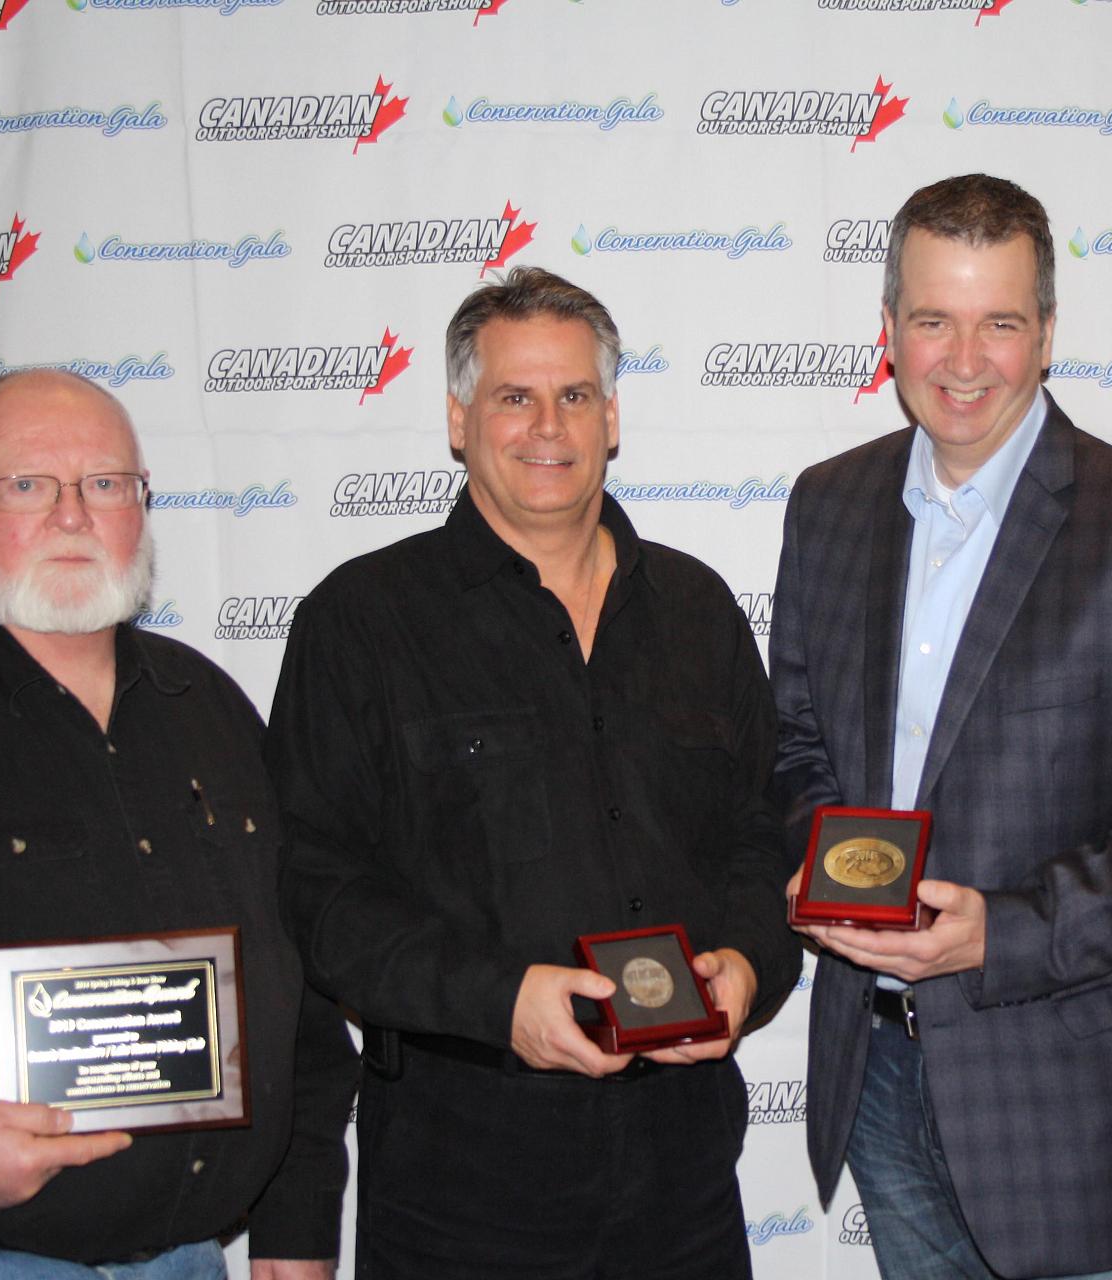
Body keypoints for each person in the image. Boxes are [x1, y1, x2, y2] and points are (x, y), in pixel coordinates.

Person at [771, 173, 1112, 1280]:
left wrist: (1001, 927)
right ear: (889, 331)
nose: (962, 358)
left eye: (999, 322)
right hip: (881, 1079)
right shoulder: (828, 505)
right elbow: (796, 740)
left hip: (1071, 1109)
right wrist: (821, 860)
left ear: (1047, 335)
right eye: (932, 319)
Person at [266, 266, 798, 1279]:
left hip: (684, 1164)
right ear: (461, 419)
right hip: (462, 1172)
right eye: (514, 396)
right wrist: (500, 997)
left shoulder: (695, 609)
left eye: (574, 395)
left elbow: (755, 832)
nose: (547, 424)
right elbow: (316, 892)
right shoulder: (361, 622)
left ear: (612, 416)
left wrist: (746, 963)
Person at [0, 370, 355, 1279]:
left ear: (142, 504)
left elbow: (296, 993)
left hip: (188, 1262)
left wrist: (294, 1214)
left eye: (105, 484)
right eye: (26, 485)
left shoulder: (208, 707)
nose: (72, 515)